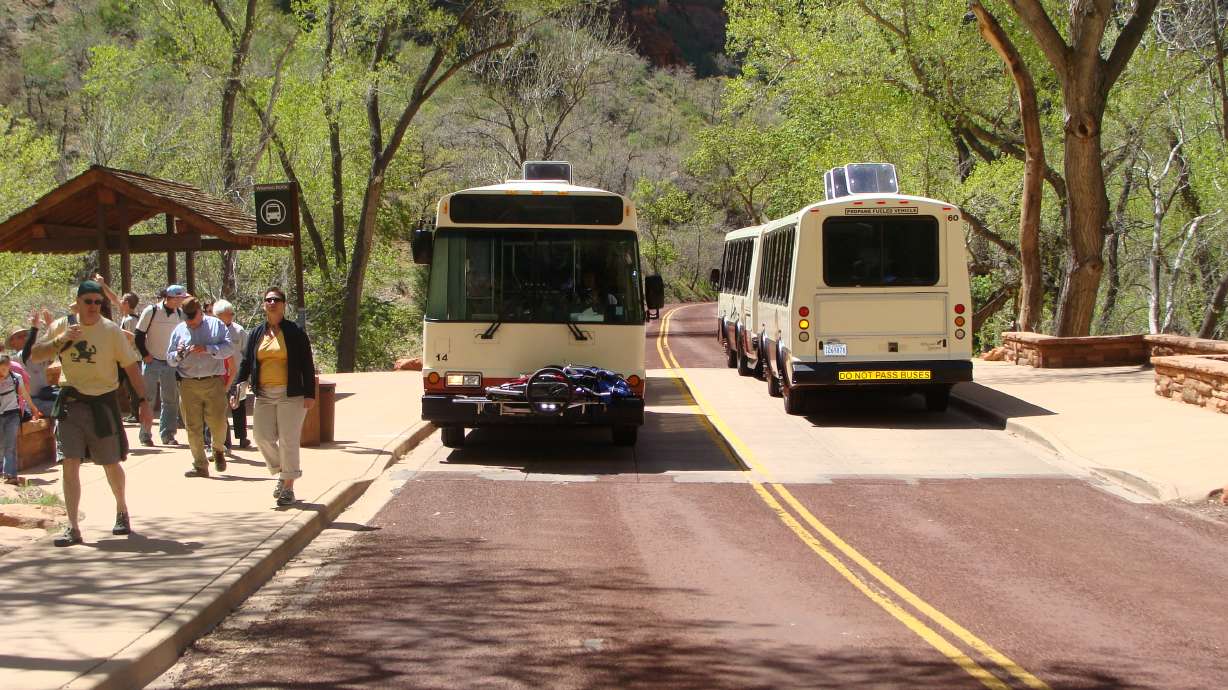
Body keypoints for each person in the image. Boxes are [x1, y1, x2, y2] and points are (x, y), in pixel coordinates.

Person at [29, 280, 153, 547]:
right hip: (71, 403)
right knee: (70, 463)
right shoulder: (63, 326)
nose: (94, 306)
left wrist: (143, 402)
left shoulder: (110, 331)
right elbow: (35, 354)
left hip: (102, 404)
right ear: (78, 302)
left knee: (110, 463)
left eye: (99, 302)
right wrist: (62, 340)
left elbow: (132, 368)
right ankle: (72, 527)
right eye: (89, 302)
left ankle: (121, 510)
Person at [234, 288, 315, 508]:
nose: (272, 303)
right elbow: (246, 362)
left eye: (276, 300)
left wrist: (310, 393)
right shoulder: (256, 333)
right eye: (268, 300)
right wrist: (236, 387)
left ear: (284, 304)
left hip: (291, 394)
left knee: (288, 440)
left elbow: (307, 363)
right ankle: (283, 471)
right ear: (263, 305)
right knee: (261, 437)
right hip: (264, 394)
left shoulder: (295, 331)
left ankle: (288, 488)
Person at [166, 297, 234, 478]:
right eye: (186, 317)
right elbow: (170, 359)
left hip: (213, 381)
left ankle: (218, 449)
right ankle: (200, 464)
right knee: (192, 426)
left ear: (200, 312)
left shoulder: (216, 325)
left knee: (218, 422)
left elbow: (229, 349)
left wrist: (208, 348)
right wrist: (178, 354)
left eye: (192, 316)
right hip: (188, 384)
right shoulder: (179, 330)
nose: (189, 320)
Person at [135, 284, 188, 446]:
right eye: (179, 298)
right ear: (170, 298)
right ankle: (145, 435)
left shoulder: (180, 314)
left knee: (170, 400)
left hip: (171, 362)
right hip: (152, 361)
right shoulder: (151, 311)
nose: (181, 301)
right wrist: (145, 355)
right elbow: (139, 335)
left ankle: (168, 435)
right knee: (147, 399)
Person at [212, 300, 251, 449]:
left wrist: (248, 376)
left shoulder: (239, 331)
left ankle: (242, 437)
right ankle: (225, 441)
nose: (232, 316)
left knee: (238, 405)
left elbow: (247, 353)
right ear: (219, 315)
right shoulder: (212, 330)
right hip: (218, 375)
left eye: (233, 313)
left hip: (237, 375)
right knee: (220, 408)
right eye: (229, 314)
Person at [7, 309, 57, 417]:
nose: (25, 338)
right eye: (20, 336)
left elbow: (52, 349)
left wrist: (51, 327)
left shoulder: (37, 354)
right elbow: (27, 351)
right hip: (34, 402)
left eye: (26, 335)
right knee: (60, 410)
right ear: (12, 342)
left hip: (48, 395)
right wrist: (34, 329)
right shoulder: (15, 360)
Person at [0, 353, 41, 485]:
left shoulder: (16, 378)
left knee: (10, 445)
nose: (1, 373)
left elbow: (24, 395)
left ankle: (11, 475)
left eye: (3, 369)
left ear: (8, 367)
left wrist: (34, 409)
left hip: (12, 414)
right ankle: (2, 471)